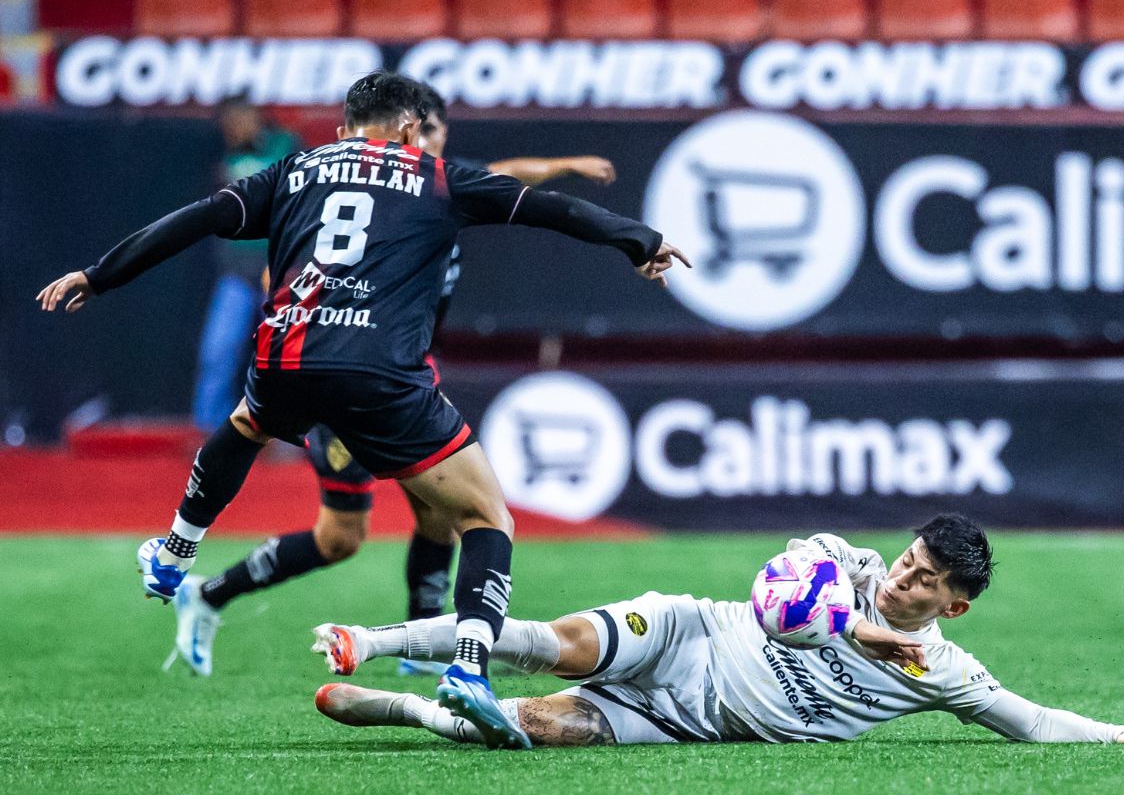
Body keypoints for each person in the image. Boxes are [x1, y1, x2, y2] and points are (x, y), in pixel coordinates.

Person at [36, 71, 689, 751]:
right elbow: (548, 210)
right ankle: (468, 668)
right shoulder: (435, 176)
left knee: (247, 426)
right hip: (382, 373)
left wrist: (100, 274)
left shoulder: (291, 170)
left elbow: (195, 220)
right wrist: (638, 240)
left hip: (288, 359)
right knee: (483, 515)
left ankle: (175, 551)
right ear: (409, 129)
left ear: (346, 126)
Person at [172, 83, 624, 679]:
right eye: (427, 134)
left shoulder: (443, 185)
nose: (432, 147)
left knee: (442, 512)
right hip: (346, 371)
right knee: (343, 537)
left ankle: (423, 645)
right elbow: (285, 271)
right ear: (411, 131)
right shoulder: (382, 192)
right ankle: (210, 593)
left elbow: (513, 174)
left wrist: (565, 166)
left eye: (439, 137)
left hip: (401, 371)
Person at [310, 514, 1124, 748]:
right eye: (911, 559)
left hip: (690, 720)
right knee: (552, 640)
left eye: (926, 582)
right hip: (687, 635)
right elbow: (775, 609)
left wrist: (1120, 733)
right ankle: (373, 639)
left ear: (955, 606)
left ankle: (400, 708)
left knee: (522, 729)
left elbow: (1030, 720)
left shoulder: (942, 669)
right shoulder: (841, 557)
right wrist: (865, 632)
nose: (905, 577)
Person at [193, 99, 298, 431]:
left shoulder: (285, 145)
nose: (233, 130)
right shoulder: (223, 158)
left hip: (279, 273)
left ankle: (287, 430)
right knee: (218, 352)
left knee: (286, 355)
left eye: (238, 121)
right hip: (237, 274)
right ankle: (211, 433)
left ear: (254, 118)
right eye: (228, 125)